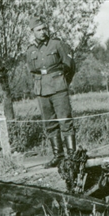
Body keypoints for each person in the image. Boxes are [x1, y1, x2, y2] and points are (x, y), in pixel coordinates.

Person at [26, 16, 76, 169]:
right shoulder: (30, 50)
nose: (42, 32)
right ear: (32, 32)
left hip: (58, 87)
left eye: (44, 29)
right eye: (38, 30)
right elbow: (31, 71)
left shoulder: (56, 44)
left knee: (65, 121)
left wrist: (63, 81)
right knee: (50, 124)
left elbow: (70, 65)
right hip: (42, 90)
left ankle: (72, 157)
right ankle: (58, 156)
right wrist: (37, 86)